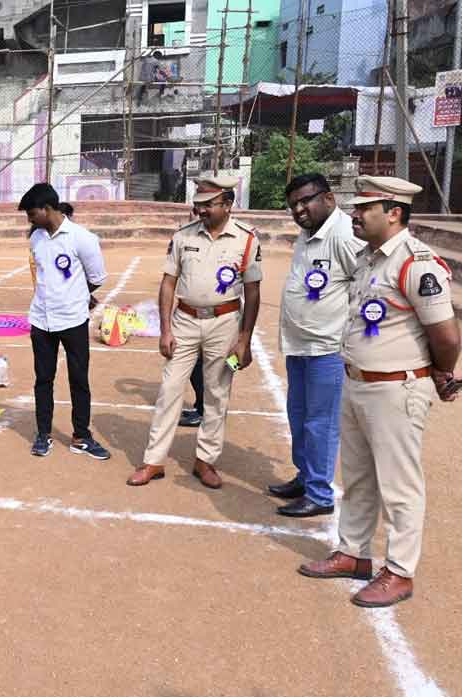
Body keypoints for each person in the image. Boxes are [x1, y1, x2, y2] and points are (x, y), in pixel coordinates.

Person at [298, 177, 460, 608]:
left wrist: (442, 372)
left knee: (400, 486)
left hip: (396, 388)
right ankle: (353, 554)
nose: (356, 214)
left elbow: (445, 333)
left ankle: (400, 572)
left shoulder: (417, 263)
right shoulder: (370, 259)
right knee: (357, 478)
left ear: (394, 213)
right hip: (358, 383)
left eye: (366, 207)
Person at [128, 175, 262, 489]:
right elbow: (168, 283)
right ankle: (154, 461)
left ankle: (205, 461)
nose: (199, 210)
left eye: (208, 205)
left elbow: (253, 293)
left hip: (226, 325)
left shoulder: (246, 240)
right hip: (184, 322)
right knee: (169, 389)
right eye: (197, 204)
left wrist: (244, 340)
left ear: (228, 205)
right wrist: (165, 330)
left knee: (218, 392)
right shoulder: (182, 236)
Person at [268, 173, 363, 517]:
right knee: (298, 416)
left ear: (329, 199)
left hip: (327, 349)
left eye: (306, 200)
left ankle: (320, 494)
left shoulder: (344, 235)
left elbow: (367, 283)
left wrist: (352, 337)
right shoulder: (308, 235)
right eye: (294, 204)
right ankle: (305, 476)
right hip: (300, 345)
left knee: (320, 423)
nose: (299, 208)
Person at [19, 183, 111, 460]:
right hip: (41, 321)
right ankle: (43, 434)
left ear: (47, 209)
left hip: (72, 320)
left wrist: (74, 296)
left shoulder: (82, 238)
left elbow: (96, 278)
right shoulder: (36, 238)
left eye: (32, 214)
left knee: (79, 380)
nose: (30, 220)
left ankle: (81, 436)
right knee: (43, 380)